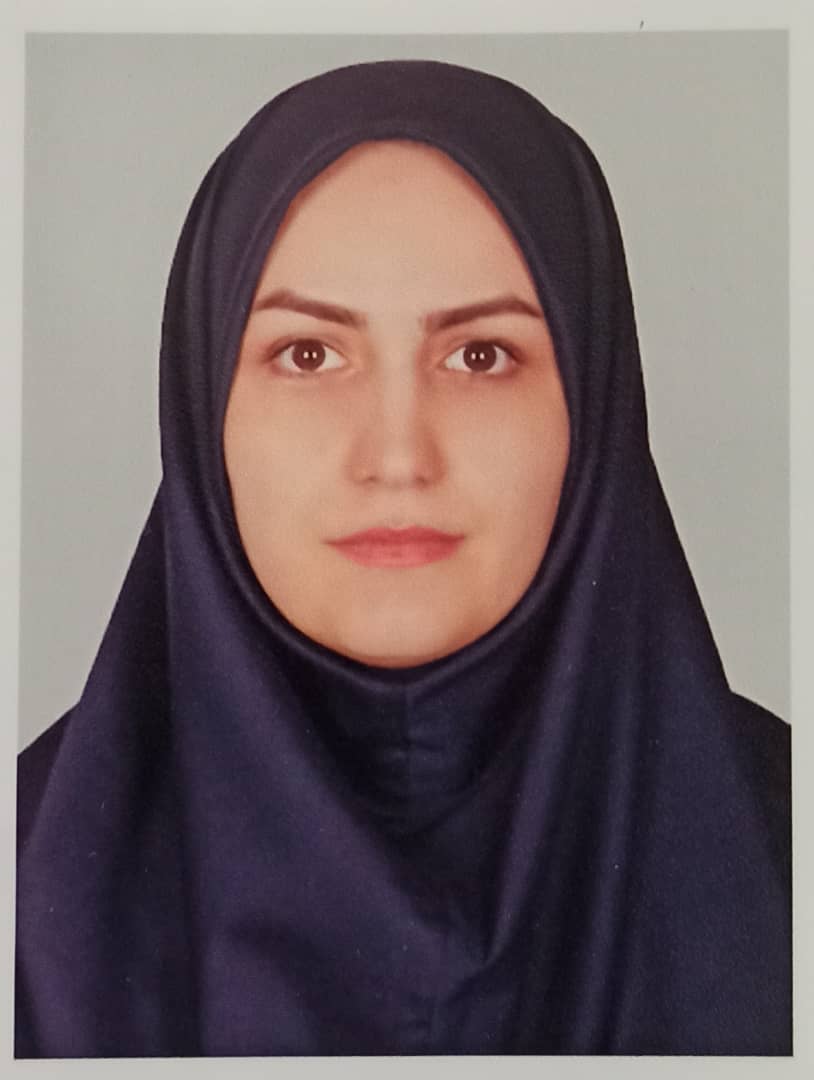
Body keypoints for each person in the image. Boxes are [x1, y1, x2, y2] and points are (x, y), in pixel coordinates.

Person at [15, 59, 790, 1057]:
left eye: (480, 356)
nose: (396, 455)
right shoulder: (24, 870)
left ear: (592, 401)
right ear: (205, 409)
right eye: (307, 355)